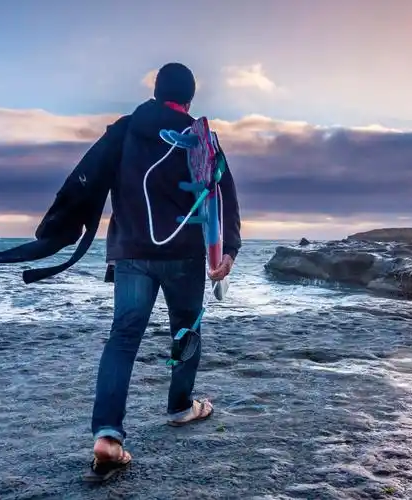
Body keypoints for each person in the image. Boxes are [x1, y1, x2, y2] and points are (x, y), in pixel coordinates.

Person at [88, 62, 242, 478]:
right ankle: (179, 407)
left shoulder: (123, 130)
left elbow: (89, 180)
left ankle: (108, 436)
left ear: (156, 92)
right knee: (185, 331)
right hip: (185, 256)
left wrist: (60, 233)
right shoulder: (200, 137)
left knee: (123, 337)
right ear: (189, 99)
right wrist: (229, 250)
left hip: (132, 253)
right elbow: (223, 192)